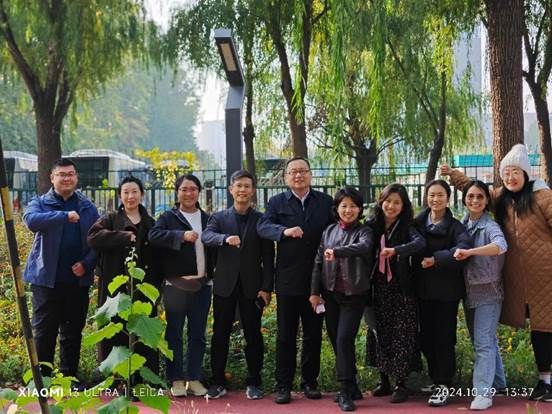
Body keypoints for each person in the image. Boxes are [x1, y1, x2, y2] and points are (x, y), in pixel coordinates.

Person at [441, 143, 552, 402]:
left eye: (516, 172)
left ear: (526, 174)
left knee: (544, 328)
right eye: (506, 172)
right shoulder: (501, 197)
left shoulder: (543, 196)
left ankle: (546, 381)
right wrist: (453, 174)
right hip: (517, 277)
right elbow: (475, 191)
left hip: (545, 274)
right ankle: (536, 382)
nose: (511, 177)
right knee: (537, 326)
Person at [257, 156, 334, 404]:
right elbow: (263, 227)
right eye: (293, 172)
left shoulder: (325, 202)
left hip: (317, 280)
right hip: (288, 279)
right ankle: (283, 385)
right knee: (285, 336)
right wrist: (283, 231)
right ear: (286, 177)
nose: (298, 175)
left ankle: (310, 382)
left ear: (310, 174)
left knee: (313, 334)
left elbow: (336, 230)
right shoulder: (277, 202)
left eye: (302, 171)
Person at [23, 158, 99, 385]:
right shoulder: (40, 203)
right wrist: (63, 216)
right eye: (62, 174)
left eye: (71, 174)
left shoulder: (87, 206)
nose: (67, 178)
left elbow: (97, 241)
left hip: (77, 281)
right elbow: (31, 221)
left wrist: (86, 264)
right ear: (52, 178)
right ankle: (43, 382)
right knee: (44, 333)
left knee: (72, 333)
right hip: (46, 280)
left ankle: (69, 379)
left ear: (76, 177)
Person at [201, 170, 275, 400]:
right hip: (225, 286)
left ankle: (254, 382)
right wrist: (224, 239)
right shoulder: (219, 218)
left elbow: (268, 257)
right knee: (220, 335)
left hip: (253, 287)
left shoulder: (261, 219)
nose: (242, 190)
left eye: (247, 186)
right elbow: (206, 236)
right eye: (238, 186)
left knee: (253, 335)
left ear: (253, 191)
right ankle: (218, 382)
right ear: (231, 189)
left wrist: (267, 287)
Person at [87, 176, 160, 384]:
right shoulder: (110, 219)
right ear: (120, 195)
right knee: (115, 331)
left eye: (134, 192)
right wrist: (123, 237)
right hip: (115, 286)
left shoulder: (151, 223)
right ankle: (116, 380)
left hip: (143, 288)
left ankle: (142, 381)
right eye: (126, 192)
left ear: (142, 195)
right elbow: (93, 238)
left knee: (143, 332)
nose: (130, 196)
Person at [149, 174, 214, 398]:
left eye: (193, 189)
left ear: (199, 192)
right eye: (184, 189)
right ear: (177, 192)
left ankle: (194, 379)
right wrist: (181, 235)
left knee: (198, 334)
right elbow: (154, 236)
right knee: (174, 333)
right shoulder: (168, 217)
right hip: (175, 286)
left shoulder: (208, 219)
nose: (189, 193)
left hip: (202, 285)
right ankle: (176, 379)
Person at [309, 186, 373, 412]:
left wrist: (337, 251)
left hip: (354, 296)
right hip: (331, 295)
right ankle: (352, 385)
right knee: (337, 340)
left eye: (353, 206)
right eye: (344, 206)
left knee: (344, 339)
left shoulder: (365, 231)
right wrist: (314, 292)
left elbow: (363, 247)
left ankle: (345, 391)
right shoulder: (328, 231)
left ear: (360, 209)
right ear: (336, 208)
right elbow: (318, 262)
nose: (348, 210)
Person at [412, 179, 472, 407]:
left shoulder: (456, 227)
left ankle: (444, 383)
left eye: (440, 195)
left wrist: (436, 259)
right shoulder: (417, 223)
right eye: (431, 195)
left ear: (448, 199)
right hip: (422, 291)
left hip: (447, 292)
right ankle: (436, 379)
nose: (435, 199)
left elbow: (463, 249)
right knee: (425, 338)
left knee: (444, 338)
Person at [367, 183, 425, 404]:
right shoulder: (372, 225)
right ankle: (384, 380)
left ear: (403, 206)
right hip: (377, 288)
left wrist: (397, 250)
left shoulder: (407, 226)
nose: (391, 206)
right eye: (387, 201)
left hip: (402, 288)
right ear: (381, 202)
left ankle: (401, 383)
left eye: (396, 202)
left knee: (403, 334)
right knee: (379, 332)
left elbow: (420, 243)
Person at [452, 180, 507, 410]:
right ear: (464, 199)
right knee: (484, 340)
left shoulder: (490, 226)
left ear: (486, 201)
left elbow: (500, 245)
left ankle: (483, 394)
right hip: (469, 291)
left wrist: (471, 252)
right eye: (471, 196)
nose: (475, 200)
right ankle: (499, 383)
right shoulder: (462, 223)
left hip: (488, 292)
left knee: (483, 343)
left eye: (480, 197)